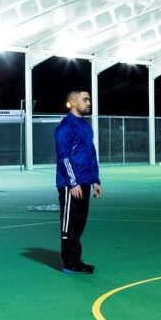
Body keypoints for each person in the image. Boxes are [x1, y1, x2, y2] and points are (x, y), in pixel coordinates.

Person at [54, 90, 102, 274]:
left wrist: (95, 180)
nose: (89, 102)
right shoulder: (65, 127)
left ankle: (75, 259)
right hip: (69, 185)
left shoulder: (85, 126)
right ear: (73, 102)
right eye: (85, 99)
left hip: (84, 182)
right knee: (69, 225)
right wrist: (72, 183)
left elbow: (91, 154)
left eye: (89, 99)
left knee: (80, 223)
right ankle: (69, 263)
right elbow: (63, 157)